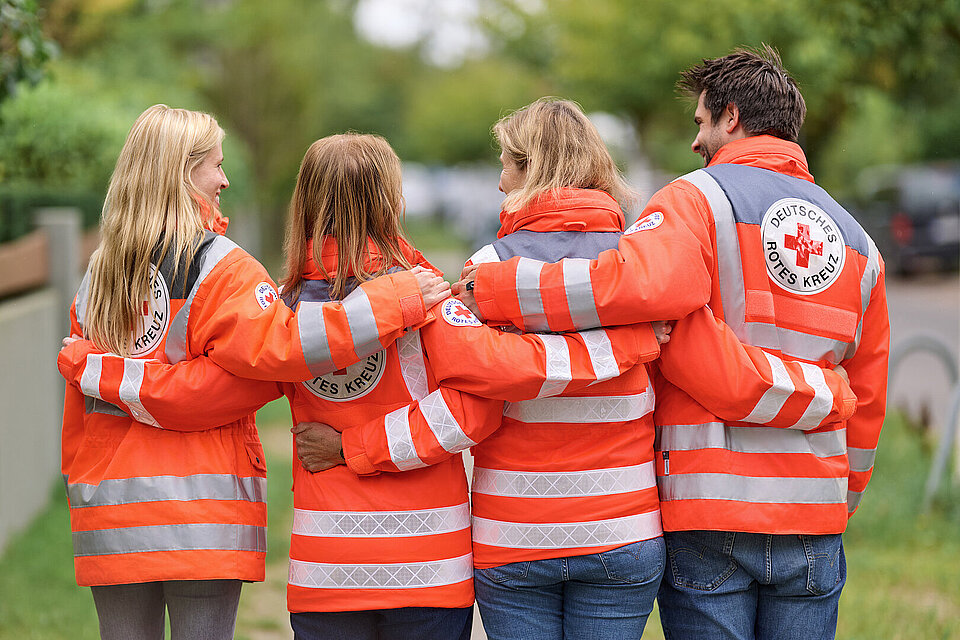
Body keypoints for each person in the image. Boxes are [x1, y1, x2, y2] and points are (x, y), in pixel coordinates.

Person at [294, 98, 857, 640]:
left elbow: (477, 387)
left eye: (506, 167)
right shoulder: (640, 264)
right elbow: (699, 368)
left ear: (531, 170)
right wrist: (629, 345)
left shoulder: (486, 269)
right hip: (623, 525)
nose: (498, 184)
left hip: (515, 533)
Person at [59, 132, 659, 640]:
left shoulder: (284, 308)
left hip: (326, 568)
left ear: (304, 202)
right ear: (391, 199)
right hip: (430, 563)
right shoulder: (427, 297)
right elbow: (471, 416)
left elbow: (222, 386)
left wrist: (105, 371)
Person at [454, 48, 889, 640]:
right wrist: (842, 491)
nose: (695, 141)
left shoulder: (694, 200)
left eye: (701, 121)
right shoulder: (859, 240)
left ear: (731, 117)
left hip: (710, 508)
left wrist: (499, 288)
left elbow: (653, 306)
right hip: (815, 515)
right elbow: (867, 392)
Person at [60, 106, 448, 640]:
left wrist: (98, 372)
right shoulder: (223, 266)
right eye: (214, 166)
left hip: (109, 508)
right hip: (203, 508)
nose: (224, 179)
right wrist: (395, 299)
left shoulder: (99, 272)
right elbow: (277, 354)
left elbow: (89, 405)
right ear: (181, 172)